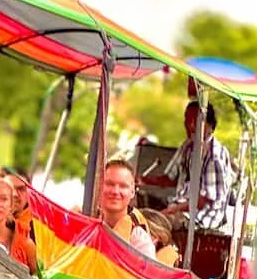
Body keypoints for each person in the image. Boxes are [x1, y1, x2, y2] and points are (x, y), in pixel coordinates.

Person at [152, 101, 234, 232]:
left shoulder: (214, 155)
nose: (189, 125)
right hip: (182, 208)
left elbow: (203, 201)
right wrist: (140, 180)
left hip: (202, 218)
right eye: (187, 119)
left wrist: (175, 209)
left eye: (195, 120)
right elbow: (169, 178)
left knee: (155, 225)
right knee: (144, 212)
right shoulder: (187, 146)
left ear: (209, 124)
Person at [98, 158, 157, 258]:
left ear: (132, 192)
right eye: (109, 184)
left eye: (123, 186)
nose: (115, 191)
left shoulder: (139, 239)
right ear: (99, 186)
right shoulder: (85, 224)